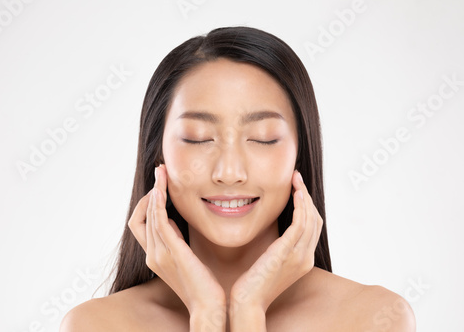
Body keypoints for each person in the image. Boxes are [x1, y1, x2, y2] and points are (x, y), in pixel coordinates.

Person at [60, 26, 415, 331]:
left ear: (300, 154)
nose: (229, 173)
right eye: (198, 138)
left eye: (263, 138)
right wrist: (207, 312)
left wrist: (247, 309)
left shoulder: (372, 318)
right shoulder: (96, 325)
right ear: (158, 154)